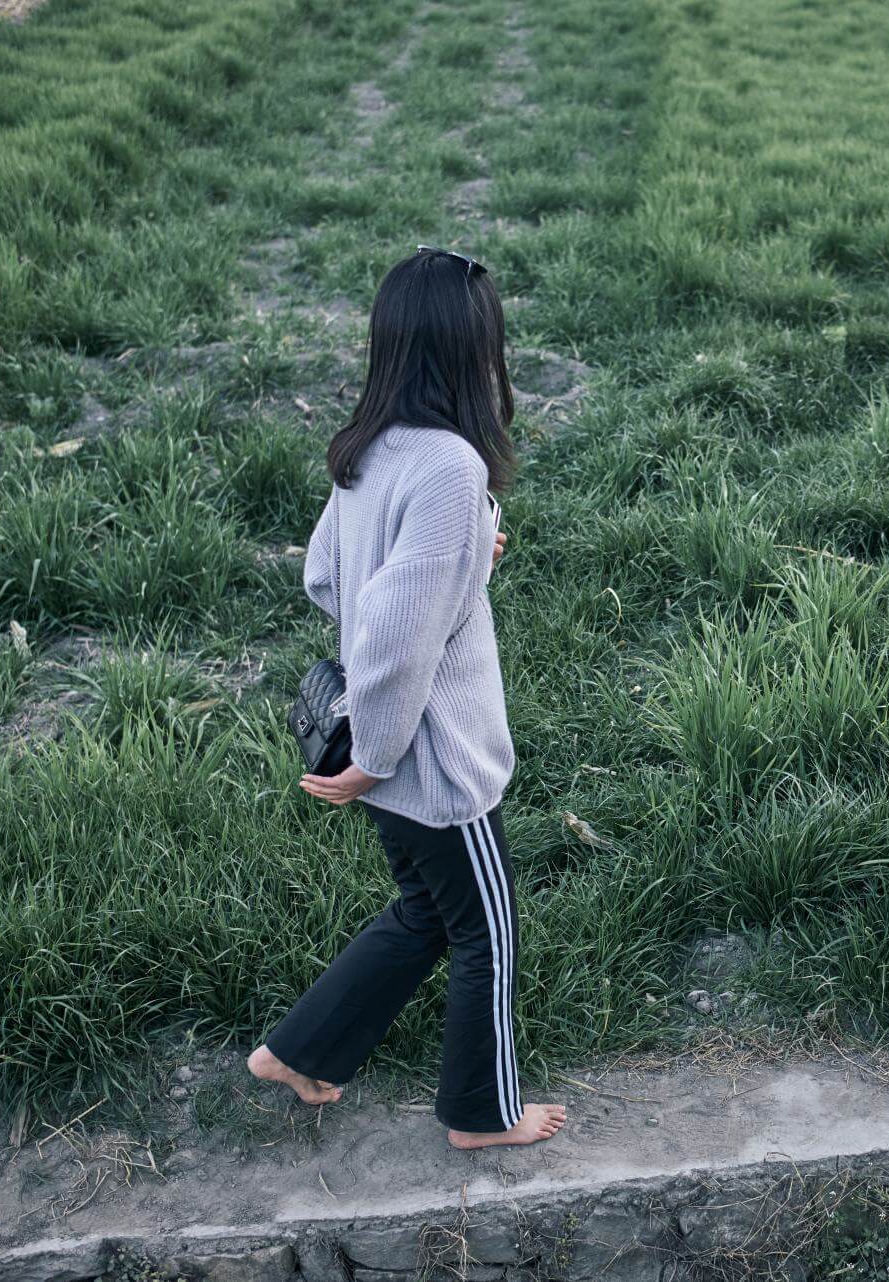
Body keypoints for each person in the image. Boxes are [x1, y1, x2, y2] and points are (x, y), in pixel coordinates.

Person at [246, 246, 567, 1150]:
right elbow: (396, 633)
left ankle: (299, 1052)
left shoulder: (369, 447)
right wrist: (374, 758)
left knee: (427, 913)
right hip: (433, 760)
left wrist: (462, 563)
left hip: (390, 749)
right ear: (473, 350)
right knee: (487, 936)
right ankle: (482, 1116)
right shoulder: (451, 467)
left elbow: (328, 576)